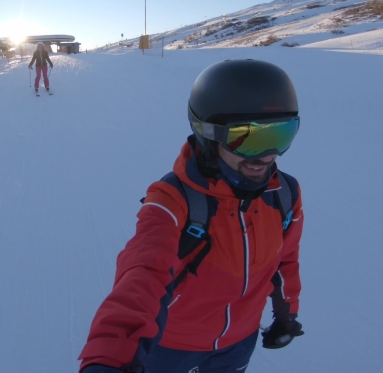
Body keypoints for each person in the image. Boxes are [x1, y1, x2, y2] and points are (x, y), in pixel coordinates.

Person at [79, 59, 306, 373]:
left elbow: (284, 260)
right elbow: (143, 271)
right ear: (209, 134)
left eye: (280, 135)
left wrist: (286, 314)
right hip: (173, 345)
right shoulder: (173, 199)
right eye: (248, 138)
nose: (267, 155)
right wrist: (111, 356)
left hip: (239, 341)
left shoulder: (283, 193)